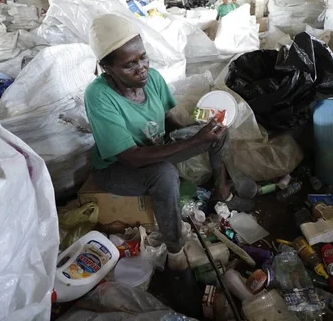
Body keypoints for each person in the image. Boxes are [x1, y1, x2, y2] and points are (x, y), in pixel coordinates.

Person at [84, 14, 257, 271]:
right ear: (107, 68)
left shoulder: (152, 79)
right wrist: (193, 142)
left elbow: (168, 119)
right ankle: (175, 253)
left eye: (143, 57)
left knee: (217, 130)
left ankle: (223, 193)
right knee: (164, 175)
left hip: (154, 150)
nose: (141, 67)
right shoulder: (98, 96)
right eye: (129, 65)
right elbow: (130, 157)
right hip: (117, 168)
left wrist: (198, 134)